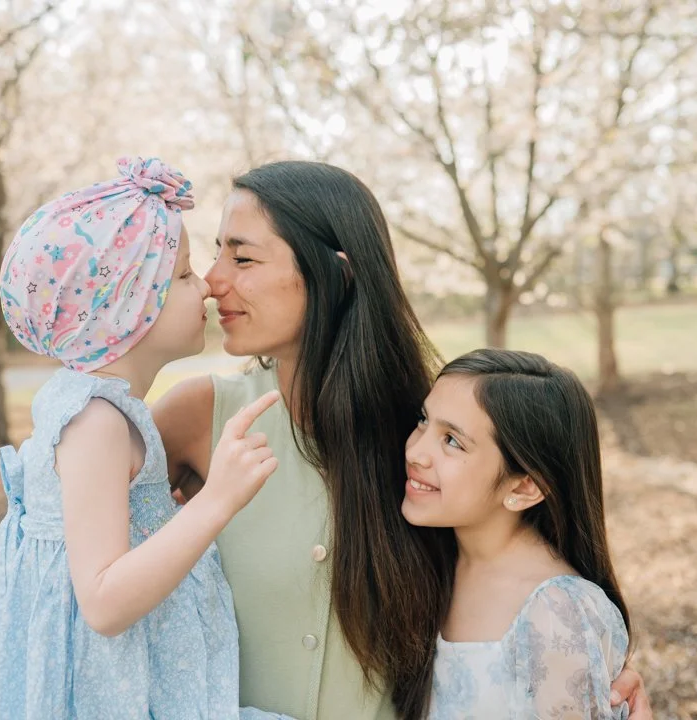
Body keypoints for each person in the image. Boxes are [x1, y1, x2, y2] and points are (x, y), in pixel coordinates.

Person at [154, 160, 652, 719]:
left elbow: (514, 581)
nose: (213, 279)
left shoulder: (428, 433)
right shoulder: (199, 416)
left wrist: (582, 664)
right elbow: (81, 574)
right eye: (217, 251)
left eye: (242, 257)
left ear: (335, 274)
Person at [0, 157, 293, 720]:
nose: (209, 289)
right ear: (127, 306)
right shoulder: (96, 423)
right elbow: (103, 602)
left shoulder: (110, 411)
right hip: (102, 691)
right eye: (185, 276)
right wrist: (217, 501)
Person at [402, 348, 630, 718]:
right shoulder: (431, 559)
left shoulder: (557, 612)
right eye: (423, 420)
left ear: (523, 487)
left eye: (453, 441)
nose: (416, 451)